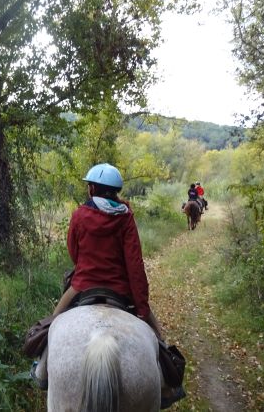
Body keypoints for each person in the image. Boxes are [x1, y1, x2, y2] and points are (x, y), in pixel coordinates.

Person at [31, 163, 185, 408]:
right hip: (121, 288)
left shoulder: (80, 214)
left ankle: (41, 369)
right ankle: (168, 383)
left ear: (92, 188)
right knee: (157, 338)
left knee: (53, 322)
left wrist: (86, 268)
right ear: (115, 191)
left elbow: (74, 251)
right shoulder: (125, 216)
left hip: (82, 284)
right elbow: (134, 263)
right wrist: (142, 307)